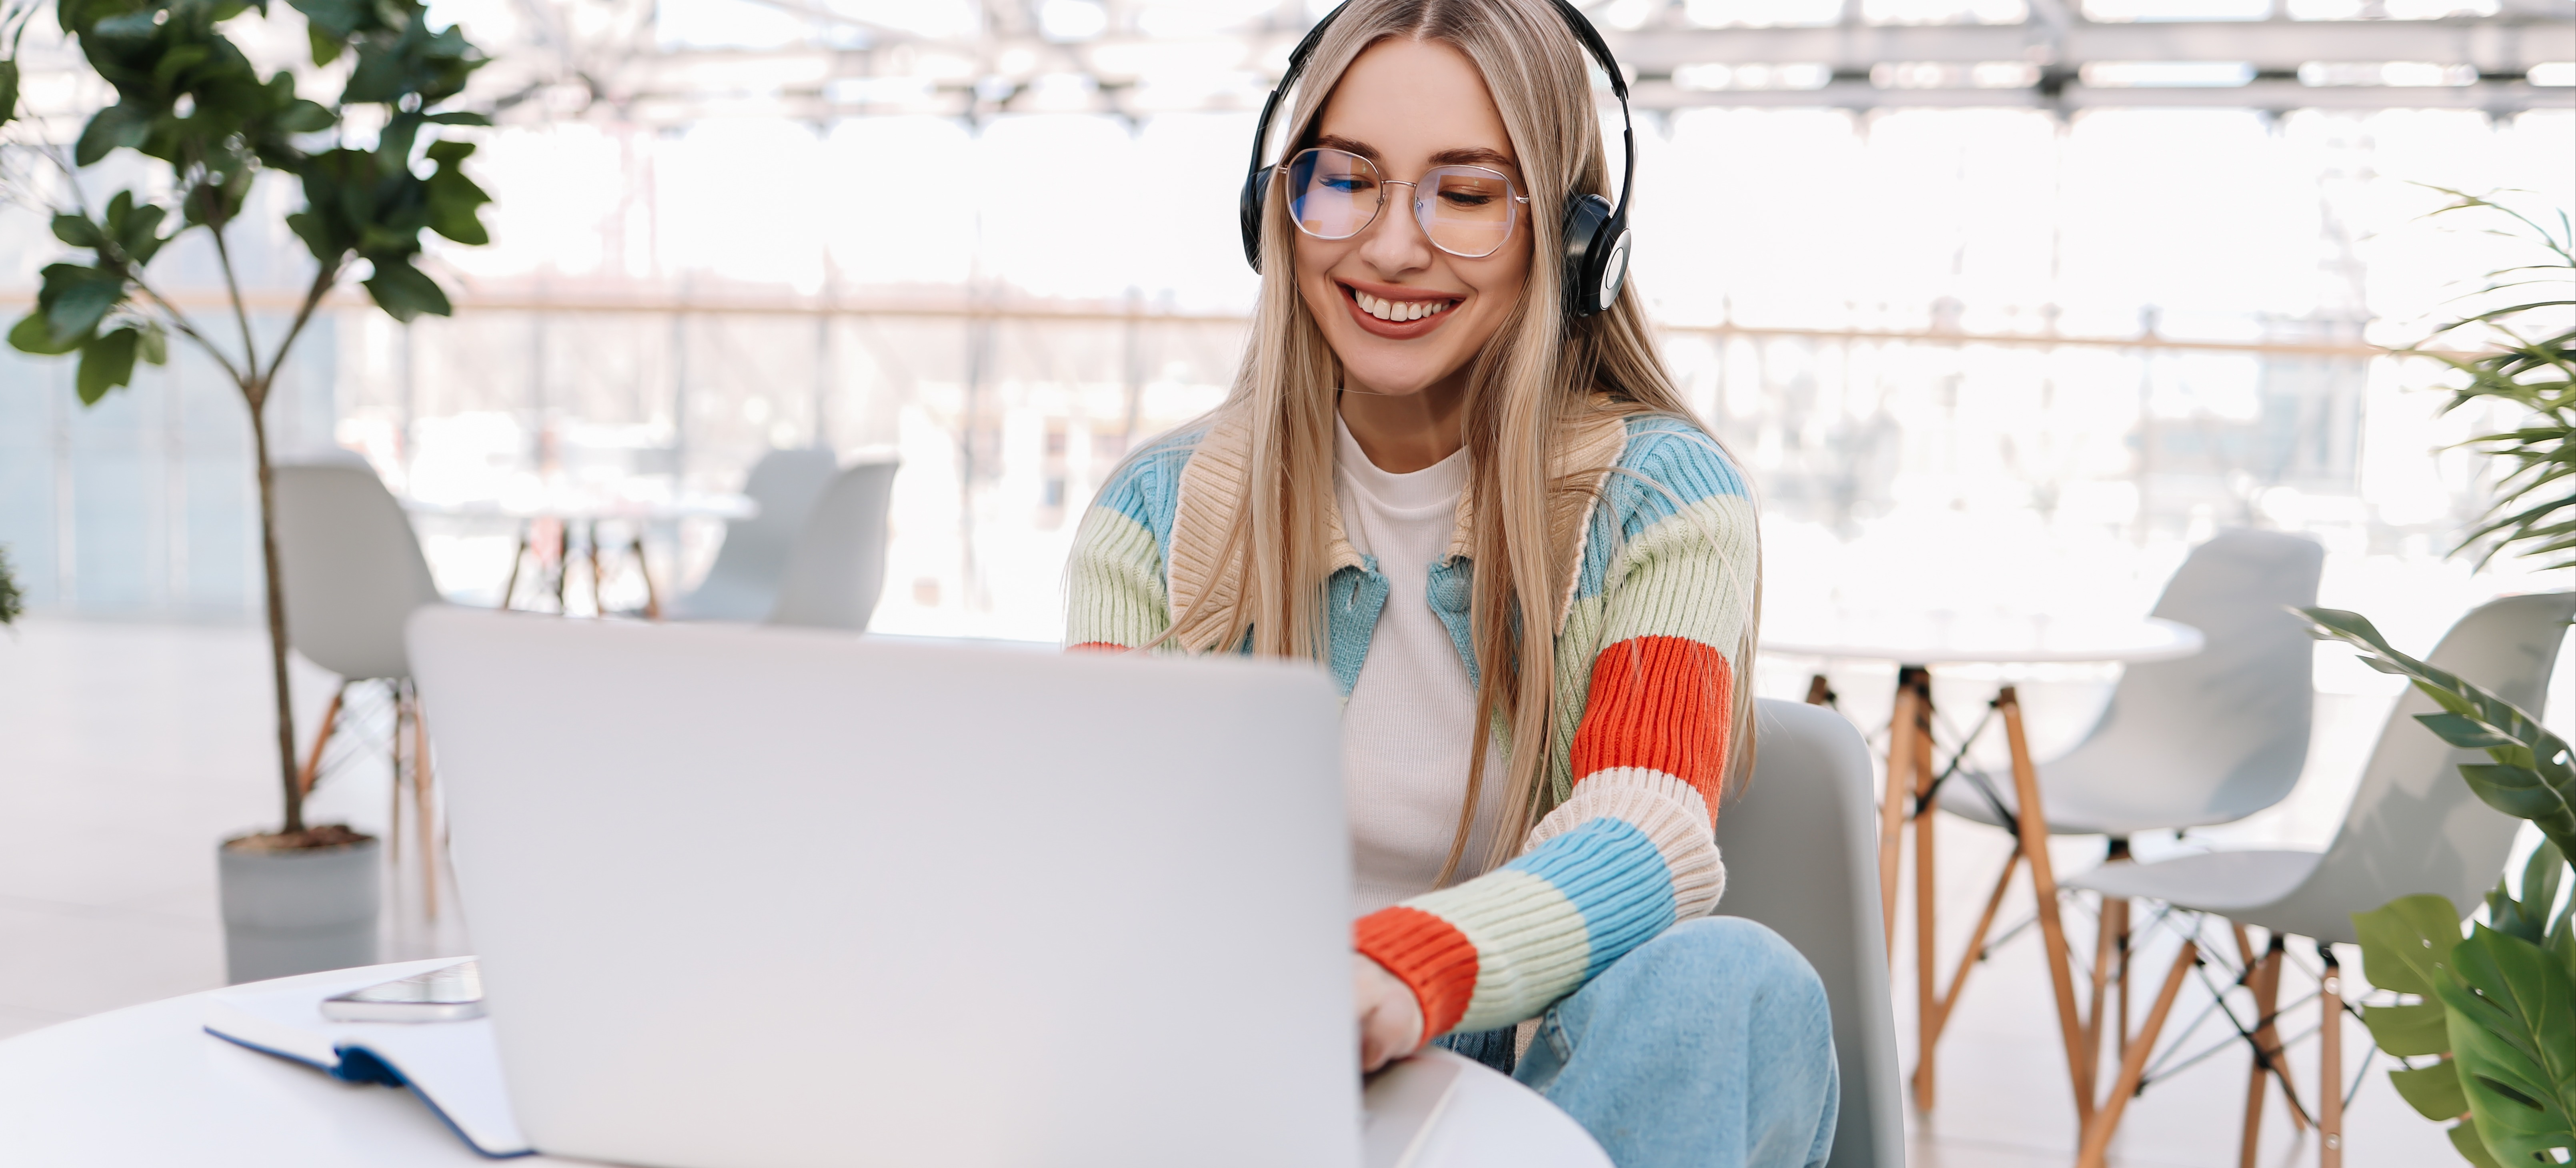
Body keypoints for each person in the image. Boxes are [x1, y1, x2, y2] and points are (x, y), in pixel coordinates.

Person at [1065, 1, 1839, 1164]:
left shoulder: (1667, 501)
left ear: (1576, 241)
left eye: (1465, 195)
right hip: (1242, 1086)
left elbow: (1649, 828)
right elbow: (1102, 852)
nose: (1389, 246)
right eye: (1349, 180)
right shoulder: (1153, 516)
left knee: (1729, 982)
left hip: (1535, 1083)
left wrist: (1401, 968)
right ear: (1278, 204)